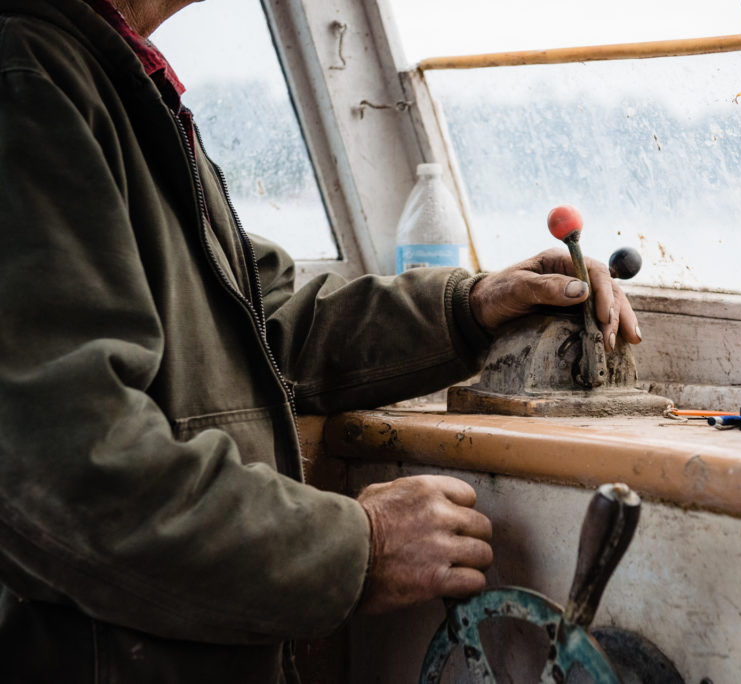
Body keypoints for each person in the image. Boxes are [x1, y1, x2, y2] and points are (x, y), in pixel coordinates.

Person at [0, 0, 641, 681]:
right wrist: (355, 549)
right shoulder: (28, 80)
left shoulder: (111, 78)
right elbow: (63, 470)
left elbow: (264, 322)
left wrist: (471, 306)